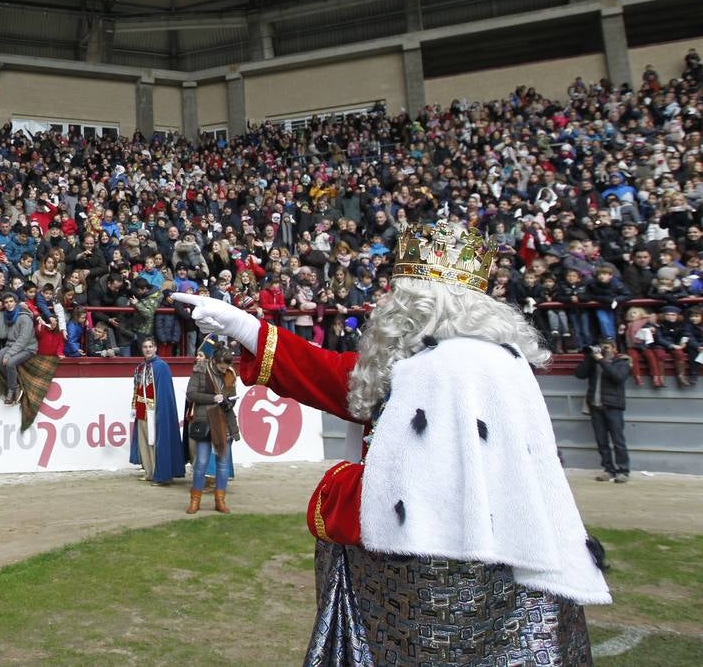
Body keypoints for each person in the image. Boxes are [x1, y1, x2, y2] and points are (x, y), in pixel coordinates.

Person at [175, 221, 608, 664]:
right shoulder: (459, 361)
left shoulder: (442, 368)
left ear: (422, 304)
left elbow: (410, 488)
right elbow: (334, 374)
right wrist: (245, 326)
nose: (387, 302)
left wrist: (337, 489)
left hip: (430, 582)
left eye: (400, 294)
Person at [185, 344, 239, 514]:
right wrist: (212, 398)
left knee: (222, 465)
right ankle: (195, 501)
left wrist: (227, 401)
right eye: (222, 367)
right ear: (214, 361)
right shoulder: (200, 371)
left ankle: (220, 501)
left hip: (224, 420)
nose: (224, 371)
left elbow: (232, 398)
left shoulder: (230, 374)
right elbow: (191, 394)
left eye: (227, 368)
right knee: (200, 463)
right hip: (205, 421)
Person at [129, 336, 184, 485]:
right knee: (144, 442)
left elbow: (165, 394)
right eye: (145, 347)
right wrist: (134, 407)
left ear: (155, 348)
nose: (147, 349)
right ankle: (150, 472)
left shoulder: (161, 366)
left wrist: (160, 411)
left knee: (156, 442)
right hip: (141, 411)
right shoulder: (140, 368)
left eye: (150, 347)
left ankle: (161, 474)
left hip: (155, 411)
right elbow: (136, 389)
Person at [577, 340, 631, 483]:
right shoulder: (594, 363)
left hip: (613, 407)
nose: (603, 350)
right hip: (596, 407)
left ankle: (623, 470)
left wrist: (602, 360)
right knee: (602, 441)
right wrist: (589, 357)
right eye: (601, 347)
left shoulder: (622, 363)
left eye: (606, 347)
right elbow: (579, 374)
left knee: (618, 441)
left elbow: (617, 377)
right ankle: (608, 470)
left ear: (614, 349)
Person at [0, 292, 35, 405]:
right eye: (6, 302)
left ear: (16, 302)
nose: (9, 304)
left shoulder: (24, 317)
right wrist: (0, 315)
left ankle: (12, 390)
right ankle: (15, 385)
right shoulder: (5, 316)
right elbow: (2, 335)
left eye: (11, 301)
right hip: (11, 345)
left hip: (27, 347)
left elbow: (23, 340)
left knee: (10, 363)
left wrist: (8, 354)